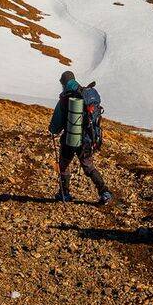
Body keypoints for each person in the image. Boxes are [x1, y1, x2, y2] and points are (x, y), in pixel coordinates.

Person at [49, 70, 111, 204]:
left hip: (69, 140)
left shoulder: (65, 98)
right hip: (87, 140)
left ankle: (64, 193)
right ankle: (104, 192)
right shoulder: (86, 95)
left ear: (64, 82)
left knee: (64, 166)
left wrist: (52, 129)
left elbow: (55, 126)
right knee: (88, 167)